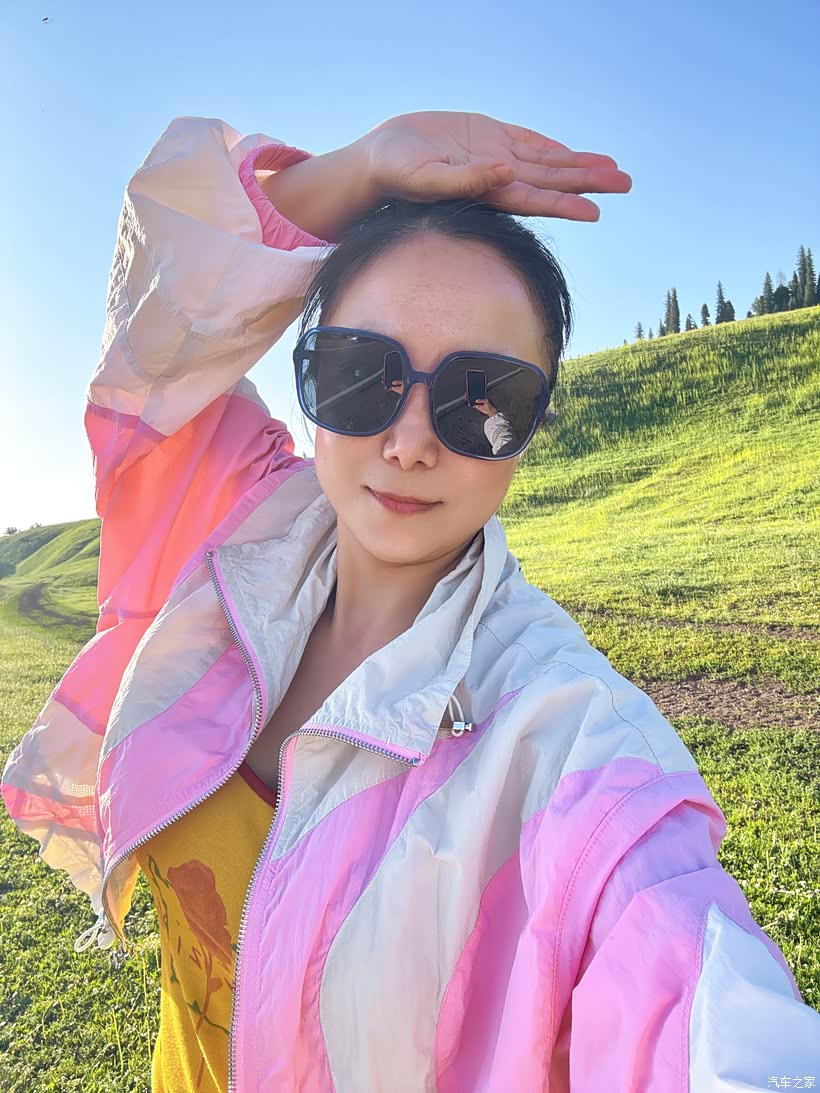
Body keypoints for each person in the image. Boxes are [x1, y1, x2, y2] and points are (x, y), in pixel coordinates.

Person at [1, 109, 818, 1093]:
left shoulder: (568, 745)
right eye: (360, 375)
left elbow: (692, 996)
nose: (409, 442)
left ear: (533, 426)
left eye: (483, 398)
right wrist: (362, 168)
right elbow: (159, 337)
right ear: (308, 377)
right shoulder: (231, 527)